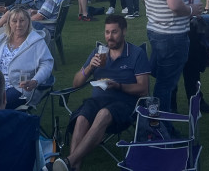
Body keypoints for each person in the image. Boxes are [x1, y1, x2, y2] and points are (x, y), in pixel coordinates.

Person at [52, 14, 150, 171]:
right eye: (107, 32)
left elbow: (143, 88)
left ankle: (69, 161)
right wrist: (90, 67)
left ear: (124, 31)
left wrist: (118, 86)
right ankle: (73, 166)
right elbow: (76, 83)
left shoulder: (137, 54)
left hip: (124, 104)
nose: (109, 37)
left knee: (103, 114)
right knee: (82, 118)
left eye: (114, 32)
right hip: (97, 100)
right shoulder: (98, 52)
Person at [142, 0, 201, 119]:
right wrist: (192, 9)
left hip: (157, 30)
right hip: (172, 36)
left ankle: (158, 123)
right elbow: (175, 4)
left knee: (163, 82)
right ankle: (162, 126)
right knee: (166, 85)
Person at [0, 6, 54, 112]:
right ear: (9, 23)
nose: (18, 25)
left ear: (28, 22)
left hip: (19, 88)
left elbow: (46, 64)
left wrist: (35, 81)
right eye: (14, 21)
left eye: (22, 21)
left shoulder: (36, 42)